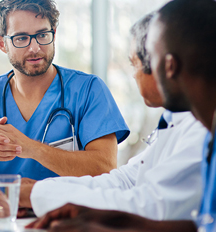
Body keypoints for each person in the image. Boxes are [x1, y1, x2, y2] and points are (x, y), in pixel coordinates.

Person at [26, 0, 216, 231]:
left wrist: (38, 189)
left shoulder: (201, 135)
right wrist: (106, 219)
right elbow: (198, 224)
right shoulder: (197, 129)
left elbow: (156, 205)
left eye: (147, 59)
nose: (142, 72)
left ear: (168, 66)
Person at [0, 0, 130, 182]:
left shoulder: (88, 90)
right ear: (2, 44)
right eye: (21, 38)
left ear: (54, 33)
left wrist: (30, 147)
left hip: (70, 210)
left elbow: (104, 168)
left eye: (42, 35)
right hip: (6, 210)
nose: (35, 48)